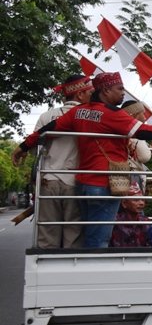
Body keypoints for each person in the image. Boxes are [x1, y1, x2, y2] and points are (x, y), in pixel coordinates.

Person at [12, 72, 152, 248]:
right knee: (97, 240)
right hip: (105, 183)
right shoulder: (112, 114)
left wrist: (23, 147)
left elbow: (48, 128)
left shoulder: (78, 112)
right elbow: (144, 131)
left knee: (82, 235)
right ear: (106, 91)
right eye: (119, 88)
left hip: (83, 184)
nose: (123, 92)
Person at [30, 74, 94, 248]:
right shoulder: (90, 117)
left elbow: (37, 146)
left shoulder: (46, 116)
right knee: (74, 235)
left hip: (48, 179)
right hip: (74, 181)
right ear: (79, 95)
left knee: (47, 233)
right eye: (90, 91)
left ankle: (46, 270)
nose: (93, 94)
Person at [120, 99, 152, 191]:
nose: (145, 118)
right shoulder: (134, 131)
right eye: (142, 114)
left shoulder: (119, 128)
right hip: (131, 176)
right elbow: (145, 156)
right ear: (135, 115)